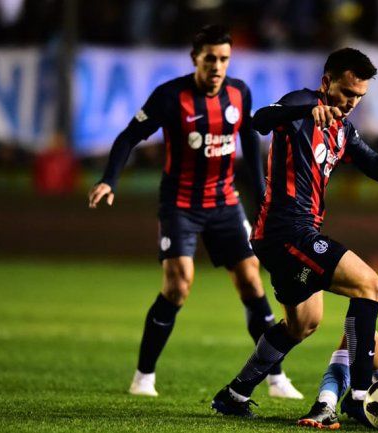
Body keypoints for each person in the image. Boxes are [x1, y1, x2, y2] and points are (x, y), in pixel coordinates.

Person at [209, 47, 378, 417]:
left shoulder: (342, 128)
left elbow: (373, 163)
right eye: (346, 93)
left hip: (292, 236)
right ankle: (359, 397)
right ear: (326, 81)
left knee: (303, 323)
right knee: (369, 285)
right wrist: (304, 111)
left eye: (359, 97)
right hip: (287, 231)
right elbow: (260, 119)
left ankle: (235, 395)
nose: (351, 103)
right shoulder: (302, 105)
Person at [87, 25, 302, 399]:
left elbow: (249, 142)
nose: (217, 66)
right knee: (177, 286)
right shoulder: (170, 96)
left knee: (252, 281)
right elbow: (128, 137)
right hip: (180, 204)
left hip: (225, 202)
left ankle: (276, 378)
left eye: (223, 59)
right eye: (210, 59)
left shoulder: (240, 93)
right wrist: (110, 180)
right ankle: (144, 376)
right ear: (195, 59)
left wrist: (264, 193)